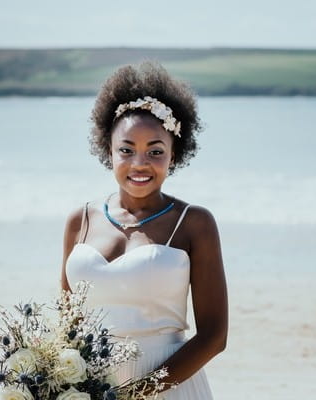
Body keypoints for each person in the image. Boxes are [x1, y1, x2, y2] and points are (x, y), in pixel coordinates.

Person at [60, 62, 228, 400]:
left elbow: (214, 336)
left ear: (174, 154)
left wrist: (136, 393)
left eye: (155, 151)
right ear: (108, 149)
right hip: (92, 388)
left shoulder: (194, 223)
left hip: (169, 387)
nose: (139, 164)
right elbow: (69, 326)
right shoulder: (80, 221)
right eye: (126, 150)